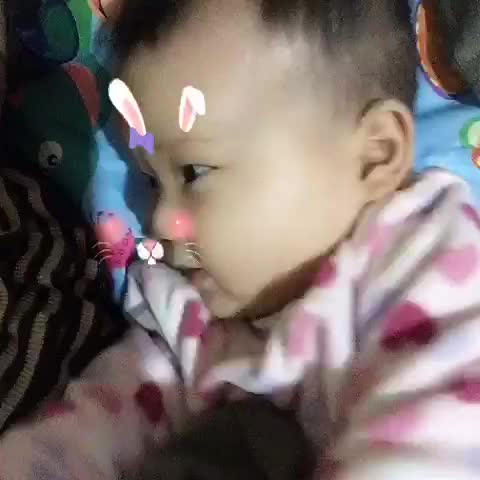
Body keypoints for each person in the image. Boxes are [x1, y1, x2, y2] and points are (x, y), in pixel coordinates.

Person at [2, 1, 480, 478]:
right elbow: (88, 430)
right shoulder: (184, 321)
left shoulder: (431, 264)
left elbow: (427, 449)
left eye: (194, 172)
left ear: (375, 155)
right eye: (151, 182)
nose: (160, 219)